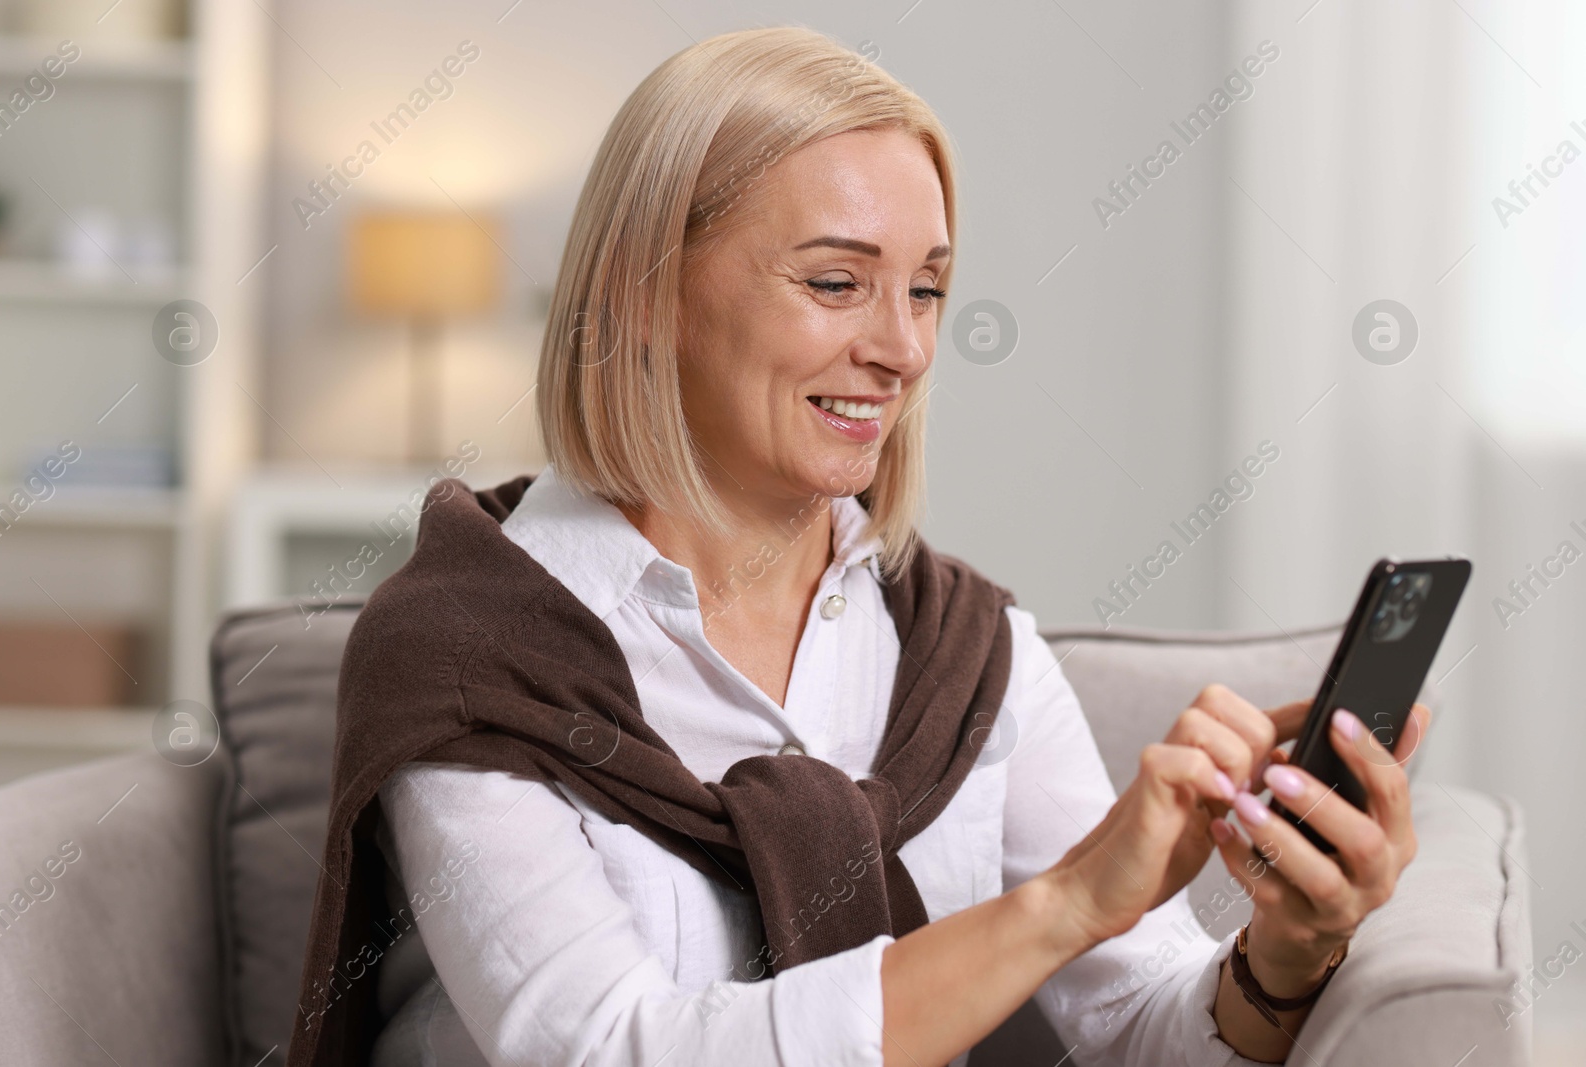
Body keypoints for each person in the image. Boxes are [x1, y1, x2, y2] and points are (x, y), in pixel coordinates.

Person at [353, 25, 1427, 1067]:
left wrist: (1285, 950)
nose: (902, 349)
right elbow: (611, 1049)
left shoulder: (961, 651)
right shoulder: (467, 650)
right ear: (646, 293)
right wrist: (1061, 904)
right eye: (835, 282)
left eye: (925, 289)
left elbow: (1143, 1021)